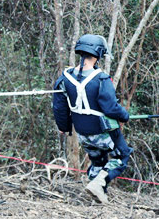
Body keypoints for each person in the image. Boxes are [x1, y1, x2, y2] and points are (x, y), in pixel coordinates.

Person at [52, 35, 132, 204]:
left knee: (98, 160)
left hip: (82, 133)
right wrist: (125, 116)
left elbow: (59, 107)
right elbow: (110, 107)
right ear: (97, 54)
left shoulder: (64, 78)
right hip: (103, 131)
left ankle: (95, 194)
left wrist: (64, 127)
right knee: (122, 156)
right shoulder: (101, 79)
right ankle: (99, 184)